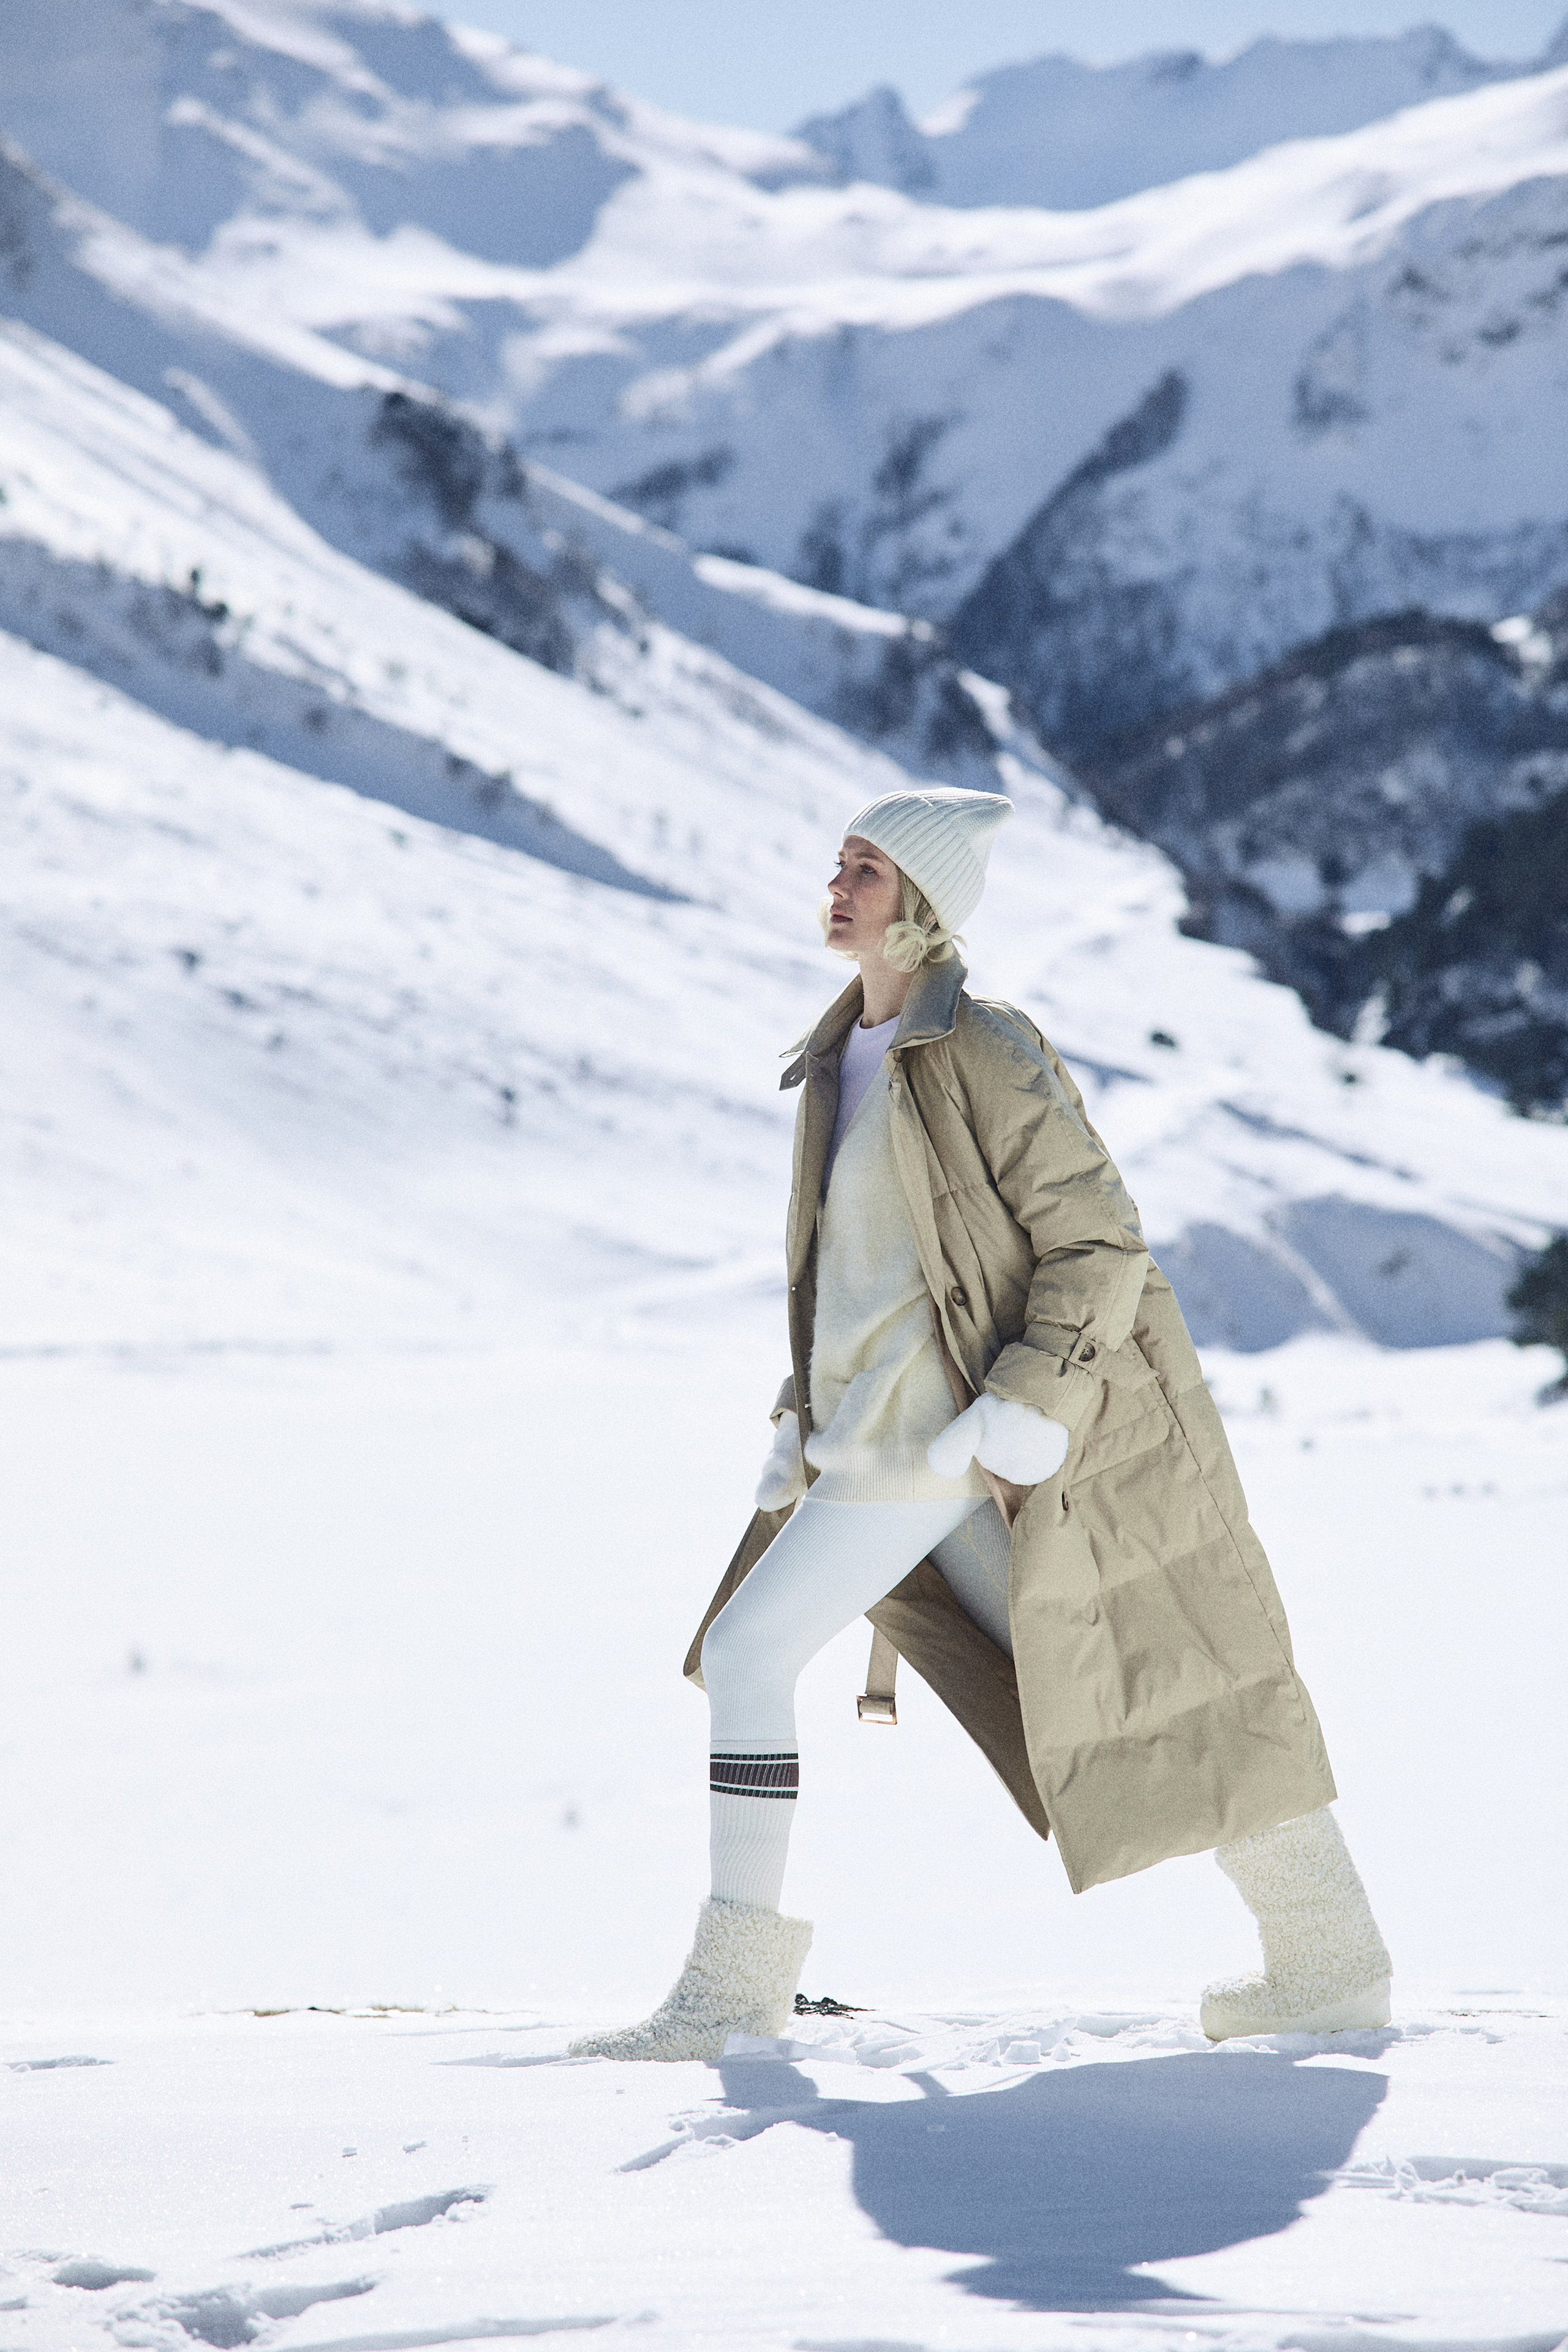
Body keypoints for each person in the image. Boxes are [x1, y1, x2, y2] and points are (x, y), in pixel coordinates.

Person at [571, 787, 1390, 2062]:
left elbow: (1097, 1245)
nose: (837, 886)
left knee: (750, 1656)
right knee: (1135, 1684)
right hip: (880, 1447)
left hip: (947, 1451)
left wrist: (1020, 1415)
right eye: (838, 863)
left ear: (925, 906)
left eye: (869, 871)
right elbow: (859, 1282)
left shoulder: (984, 1049)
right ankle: (1326, 1956)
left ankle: (729, 1994)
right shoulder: (833, 1059)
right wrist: (800, 1416)